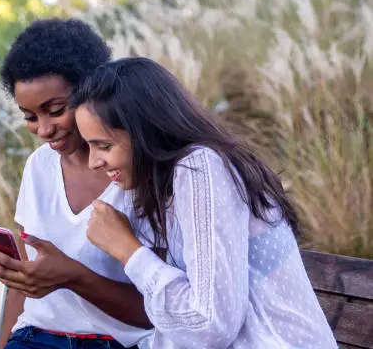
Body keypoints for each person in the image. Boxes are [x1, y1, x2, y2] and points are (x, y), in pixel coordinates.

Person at [71, 57, 337, 349]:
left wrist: (127, 250)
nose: (94, 162)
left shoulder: (200, 168)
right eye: (89, 146)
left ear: (146, 130)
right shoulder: (157, 185)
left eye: (104, 146)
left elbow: (210, 325)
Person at [0, 20, 153, 349]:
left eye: (55, 110)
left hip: (117, 341)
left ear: (93, 89)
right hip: (36, 336)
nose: (43, 130)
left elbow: (156, 309)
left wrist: (73, 276)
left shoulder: (138, 171)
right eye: (30, 116)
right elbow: (24, 288)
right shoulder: (40, 166)